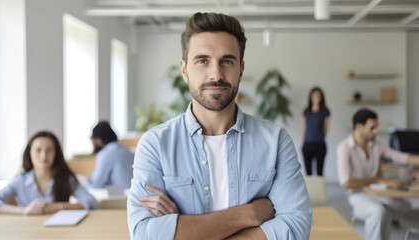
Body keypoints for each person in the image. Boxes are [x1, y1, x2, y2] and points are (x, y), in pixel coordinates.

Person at [127, 12, 312, 240]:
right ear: (184, 70)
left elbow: (295, 228)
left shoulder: (275, 142)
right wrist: (246, 215)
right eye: (202, 60)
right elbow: (143, 234)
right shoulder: (155, 145)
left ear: (241, 70)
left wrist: (183, 229)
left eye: (227, 61)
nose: (216, 74)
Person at [337, 108, 419, 240]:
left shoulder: (376, 146)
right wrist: (379, 180)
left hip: (378, 193)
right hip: (357, 195)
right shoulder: (344, 148)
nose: (376, 131)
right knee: (378, 212)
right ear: (359, 127)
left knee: (405, 207)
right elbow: (346, 182)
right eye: (372, 128)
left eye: (376, 127)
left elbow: (403, 158)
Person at [0, 131, 98, 215]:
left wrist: (59, 207)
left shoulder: (66, 179)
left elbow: (92, 203)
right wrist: (23, 211)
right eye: (38, 150)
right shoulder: (20, 181)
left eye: (49, 150)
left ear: (56, 154)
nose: (44, 156)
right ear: (29, 154)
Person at [89, 121, 134, 189]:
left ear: (98, 140)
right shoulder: (127, 150)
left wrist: (87, 179)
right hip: (134, 195)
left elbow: (96, 183)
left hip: (118, 197)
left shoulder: (105, 154)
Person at [302, 87, 330, 176]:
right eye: (314, 96)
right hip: (307, 144)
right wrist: (302, 142)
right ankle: (309, 190)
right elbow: (304, 128)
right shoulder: (306, 112)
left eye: (318, 96)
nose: (316, 98)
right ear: (310, 97)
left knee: (319, 172)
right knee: (308, 173)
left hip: (320, 144)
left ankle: (319, 190)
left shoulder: (325, 112)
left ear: (321, 98)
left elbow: (325, 129)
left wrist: (319, 137)